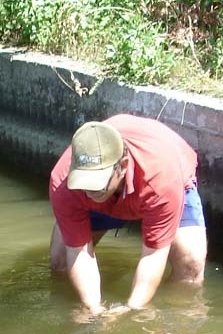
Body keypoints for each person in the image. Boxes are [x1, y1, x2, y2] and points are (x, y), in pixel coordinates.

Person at [49, 114, 206, 316]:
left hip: (159, 183)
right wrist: (93, 308)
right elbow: (78, 252)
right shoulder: (64, 183)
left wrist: (133, 308)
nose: (88, 190)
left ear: (121, 167)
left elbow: (153, 254)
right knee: (60, 260)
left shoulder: (161, 180)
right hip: (104, 202)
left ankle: (178, 322)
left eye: (96, 182)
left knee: (190, 263)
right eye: (83, 182)